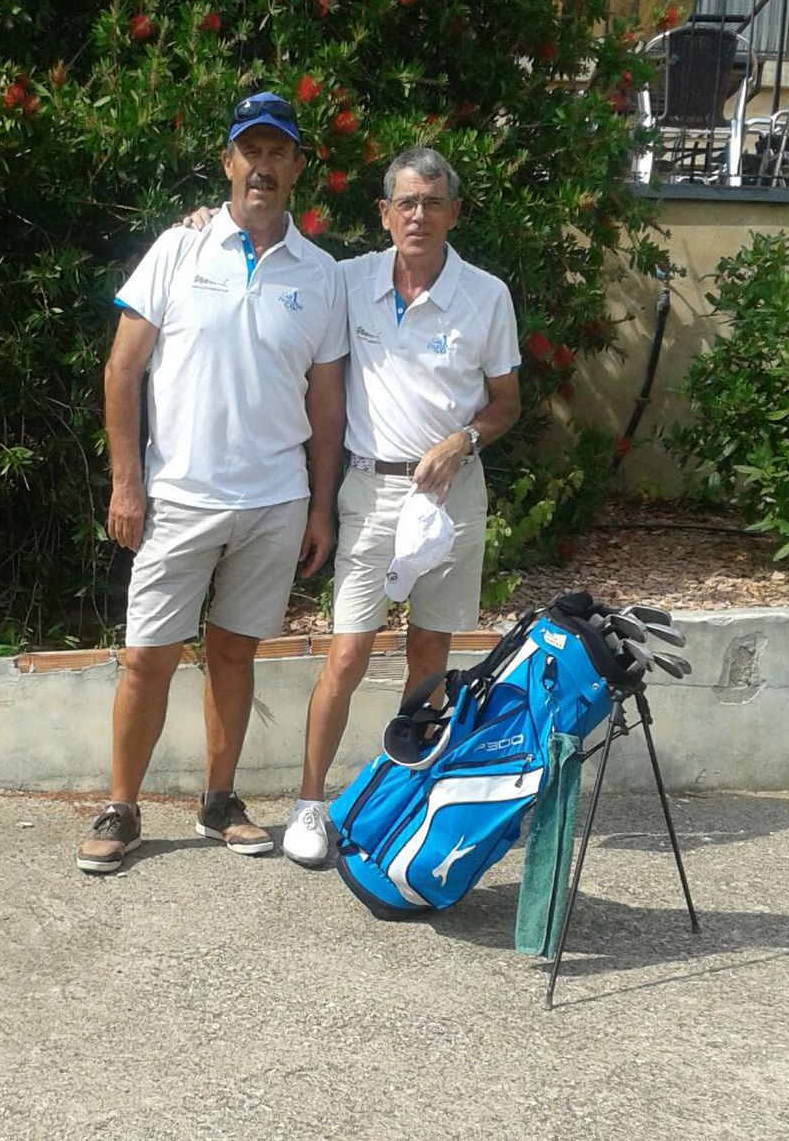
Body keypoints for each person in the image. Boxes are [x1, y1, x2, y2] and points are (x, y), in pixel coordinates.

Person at [184, 146, 521, 867]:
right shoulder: (346, 279)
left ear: (454, 213)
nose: (419, 216)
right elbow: (272, 255)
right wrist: (211, 224)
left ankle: (408, 799)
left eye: (433, 202)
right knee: (348, 652)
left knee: (429, 653)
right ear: (384, 213)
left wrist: (463, 439)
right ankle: (309, 804)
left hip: (451, 494)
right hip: (370, 491)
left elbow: (505, 402)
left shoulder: (486, 295)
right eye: (406, 203)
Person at [76, 92, 347, 874]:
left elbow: (326, 403)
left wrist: (320, 507)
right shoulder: (177, 248)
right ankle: (122, 807)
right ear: (227, 162)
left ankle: (219, 801)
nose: (262, 166)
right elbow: (122, 369)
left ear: (296, 167)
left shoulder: (322, 275)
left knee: (233, 655)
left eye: (277, 152)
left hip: (274, 502)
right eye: (249, 151)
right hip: (179, 498)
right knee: (146, 658)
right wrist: (127, 484)